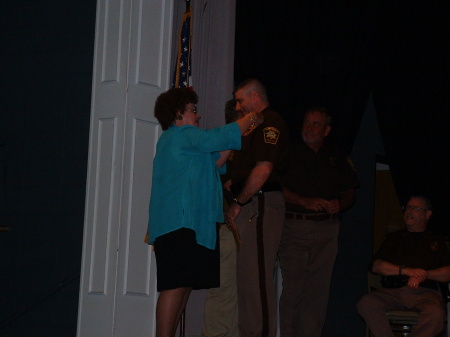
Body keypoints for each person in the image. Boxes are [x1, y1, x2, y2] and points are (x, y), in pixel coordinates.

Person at [147, 88, 263, 337]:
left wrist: (239, 126)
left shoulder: (189, 145)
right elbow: (216, 139)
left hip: (192, 225)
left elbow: (216, 158)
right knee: (176, 285)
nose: (198, 116)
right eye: (193, 110)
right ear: (178, 113)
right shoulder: (179, 135)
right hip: (179, 224)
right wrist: (251, 117)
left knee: (184, 286)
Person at [278, 106, 358, 337]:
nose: (309, 128)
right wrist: (303, 201)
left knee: (318, 292)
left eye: (316, 124)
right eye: (306, 123)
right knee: (294, 288)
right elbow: (275, 187)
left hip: (327, 229)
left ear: (327, 130)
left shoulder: (337, 155)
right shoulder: (289, 151)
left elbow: (350, 191)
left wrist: (339, 204)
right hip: (295, 226)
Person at [225, 79, 290, 337]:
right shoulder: (252, 126)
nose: (238, 106)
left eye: (240, 100)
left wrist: (239, 202)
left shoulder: (269, 122)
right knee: (247, 282)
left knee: (257, 281)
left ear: (255, 97)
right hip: (251, 204)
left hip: (260, 204)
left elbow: (264, 169)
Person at [357, 195, 450, 337]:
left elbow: (448, 273)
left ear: (427, 214)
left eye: (415, 208)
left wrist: (423, 274)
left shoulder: (438, 241)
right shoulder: (393, 239)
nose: (409, 211)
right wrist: (407, 271)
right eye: (407, 207)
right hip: (393, 292)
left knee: (436, 314)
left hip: (425, 293)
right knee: (367, 303)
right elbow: (376, 266)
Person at [201, 99, 243, 337]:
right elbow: (220, 173)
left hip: (242, 225)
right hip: (221, 228)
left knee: (238, 295)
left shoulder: (250, 147)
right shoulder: (218, 144)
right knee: (223, 291)